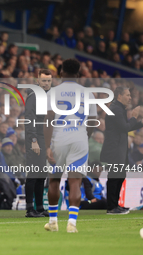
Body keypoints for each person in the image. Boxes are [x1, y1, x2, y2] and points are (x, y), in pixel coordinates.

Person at [43, 59, 97, 233]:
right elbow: (92, 122)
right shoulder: (88, 93)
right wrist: (84, 137)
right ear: (79, 74)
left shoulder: (53, 92)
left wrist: (47, 146)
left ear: (61, 72)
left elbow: (48, 121)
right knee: (75, 182)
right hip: (79, 138)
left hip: (59, 138)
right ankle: (72, 223)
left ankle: (53, 222)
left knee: (54, 179)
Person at [100, 86, 143, 214]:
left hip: (119, 149)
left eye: (130, 95)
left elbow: (126, 127)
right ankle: (111, 207)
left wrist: (139, 122)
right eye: (127, 95)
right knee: (114, 177)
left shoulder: (118, 109)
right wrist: (134, 117)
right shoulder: (115, 109)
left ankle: (115, 205)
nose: (130, 98)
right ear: (119, 96)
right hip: (114, 150)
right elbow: (125, 127)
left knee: (120, 176)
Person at [25, 69, 52, 217]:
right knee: (34, 173)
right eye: (44, 81)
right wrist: (33, 140)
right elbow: (29, 119)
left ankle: (39, 207)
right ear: (38, 81)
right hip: (34, 138)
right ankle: (30, 209)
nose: (46, 83)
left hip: (42, 138)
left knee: (42, 174)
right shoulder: (34, 96)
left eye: (49, 81)